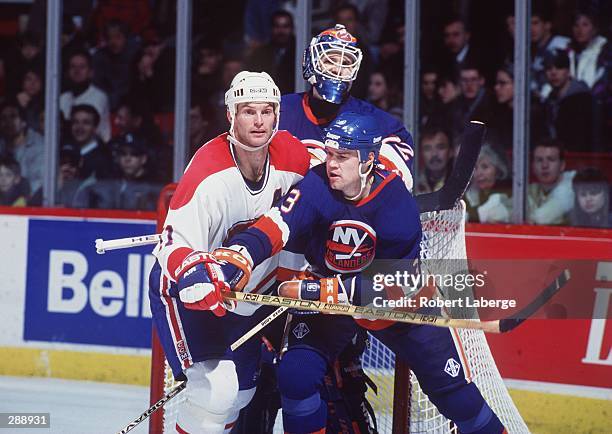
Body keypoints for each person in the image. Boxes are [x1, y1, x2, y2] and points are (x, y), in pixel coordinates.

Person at [200, 112, 507, 434]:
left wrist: (325, 292)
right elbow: (278, 223)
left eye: (343, 157)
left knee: (454, 394)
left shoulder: (396, 206)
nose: (332, 164)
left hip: (397, 303)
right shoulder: (318, 184)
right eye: (330, 154)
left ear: (368, 160)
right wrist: (240, 255)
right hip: (329, 295)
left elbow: (392, 286)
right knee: (296, 376)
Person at [148, 71, 311, 433]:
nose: (257, 121)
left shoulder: (294, 157)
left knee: (240, 395)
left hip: (249, 295)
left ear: (277, 116)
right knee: (217, 390)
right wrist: (198, 278)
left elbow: (314, 203)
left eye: (266, 111)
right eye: (247, 111)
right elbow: (172, 243)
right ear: (230, 116)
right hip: (188, 292)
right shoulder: (208, 173)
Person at [279, 24, 415, 192]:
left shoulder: (377, 122)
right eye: (330, 60)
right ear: (311, 62)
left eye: (346, 63)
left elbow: (394, 186)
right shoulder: (279, 110)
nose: (337, 69)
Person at [543, 50, 594, 152]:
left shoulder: (582, 99)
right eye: (549, 68)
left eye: (559, 67)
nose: (553, 73)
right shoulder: (550, 100)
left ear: (568, 71)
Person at [60, 50, 112, 142]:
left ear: (91, 72)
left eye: (82, 67)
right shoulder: (62, 98)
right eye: (73, 67)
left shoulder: (99, 97)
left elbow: (88, 130)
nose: (77, 71)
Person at [527, 139, 576, 225]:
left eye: (551, 159)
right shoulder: (529, 190)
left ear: (562, 165)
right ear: (533, 167)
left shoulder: (573, 187)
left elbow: (540, 220)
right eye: (539, 160)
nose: (544, 165)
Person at [465, 144, 512, 223]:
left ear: (498, 169)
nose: (478, 173)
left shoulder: (508, 194)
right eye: (475, 168)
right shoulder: (467, 196)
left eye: (485, 167)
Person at [415, 126, 453, 194]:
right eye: (427, 149)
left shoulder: (460, 183)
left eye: (440, 147)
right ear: (421, 153)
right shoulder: (412, 183)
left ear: (451, 151)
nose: (434, 154)